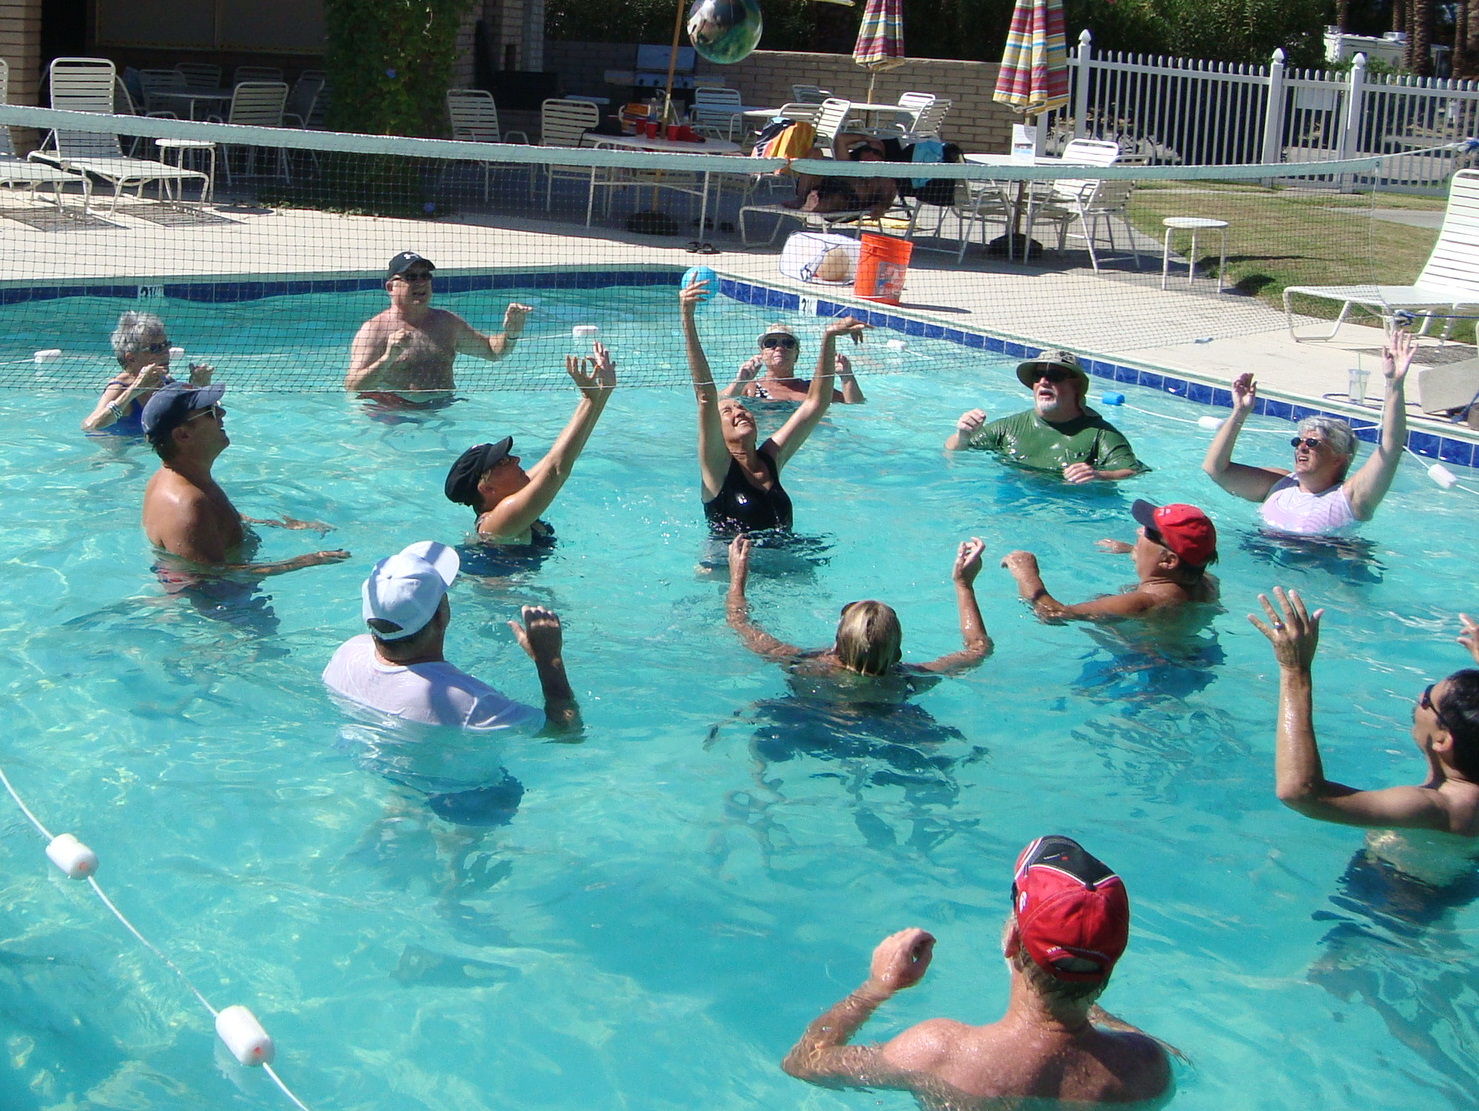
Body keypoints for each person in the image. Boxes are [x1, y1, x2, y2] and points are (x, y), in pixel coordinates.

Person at [780, 835, 1173, 1108]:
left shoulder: (939, 1053)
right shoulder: (1145, 1067)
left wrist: (877, 988)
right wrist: (1082, 1001)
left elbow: (805, 1063)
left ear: (1012, 941)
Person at [1251, 588, 1479, 835]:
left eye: (1427, 699)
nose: (1420, 696)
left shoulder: (1434, 807)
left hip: (1385, 862)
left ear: (1442, 740)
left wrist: (1295, 669)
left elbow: (1300, 794)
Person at [322, 540, 579, 733]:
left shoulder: (346, 653)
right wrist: (549, 661)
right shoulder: (469, 703)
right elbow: (566, 732)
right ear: (441, 615)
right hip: (462, 788)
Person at [679, 278, 866, 535]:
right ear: (717, 430)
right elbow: (706, 397)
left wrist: (829, 336)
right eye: (728, 411)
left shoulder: (770, 459)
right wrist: (687, 317)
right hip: (733, 558)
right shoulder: (717, 469)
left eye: (741, 409)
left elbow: (815, 403)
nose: (739, 411)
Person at [1201, 330, 1413, 536]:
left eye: (1312, 443)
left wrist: (1394, 384)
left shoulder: (1351, 497)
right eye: (1298, 442)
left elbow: (1391, 448)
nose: (1301, 447)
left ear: (1339, 458)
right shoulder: (1279, 485)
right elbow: (1215, 469)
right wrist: (1240, 412)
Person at [726, 535, 991, 688]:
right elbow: (978, 649)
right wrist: (964, 585)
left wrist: (737, 578)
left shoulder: (804, 666)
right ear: (897, 652)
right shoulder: (909, 679)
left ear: (836, 645)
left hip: (810, 720)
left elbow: (739, 623)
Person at [141, 382, 349, 576]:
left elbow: (212, 522)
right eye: (210, 411)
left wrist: (271, 523)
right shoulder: (188, 505)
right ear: (182, 435)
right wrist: (306, 561)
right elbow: (213, 577)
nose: (222, 413)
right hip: (220, 601)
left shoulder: (183, 479)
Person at [444, 342, 615, 545]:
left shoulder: (513, 491)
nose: (516, 459)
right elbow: (557, 470)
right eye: (503, 462)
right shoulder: (497, 522)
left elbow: (560, 455)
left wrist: (603, 392)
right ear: (488, 489)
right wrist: (589, 400)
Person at [345, 252, 532, 407]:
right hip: (396, 414)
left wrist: (511, 334)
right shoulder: (374, 330)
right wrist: (387, 359)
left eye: (425, 276)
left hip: (444, 409)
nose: (420, 282)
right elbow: (352, 386)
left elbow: (492, 351)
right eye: (411, 277)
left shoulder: (446, 322)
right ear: (390, 287)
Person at [945, 349, 1146, 483]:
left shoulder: (1101, 434)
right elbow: (953, 451)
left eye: (1054, 376)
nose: (1043, 382)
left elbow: (1131, 471)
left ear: (1075, 386)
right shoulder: (1009, 427)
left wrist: (1098, 475)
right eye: (1037, 376)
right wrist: (963, 435)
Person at [1002, 499, 1218, 621]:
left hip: (1142, 668)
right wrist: (1134, 550)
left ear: (1168, 561)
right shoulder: (1206, 582)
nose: (1138, 531)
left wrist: (1026, 573)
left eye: (1148, 532)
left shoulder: (1143, 602)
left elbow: (1053, 614)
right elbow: (1190, 561)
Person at [81, 311, 213, 433]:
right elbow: (89, 426)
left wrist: (199, 387)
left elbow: (191, 418)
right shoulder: (119, 388)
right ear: (131, 358)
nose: (165, 353)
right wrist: (134, 391)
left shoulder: (166, 382)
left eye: (166, 345)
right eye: (155, 348)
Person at [721, 323, 865, 404]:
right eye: (771, 343)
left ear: (796, 354)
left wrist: (847, 376)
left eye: (787, 343)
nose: (779, 348)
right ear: (762, 353)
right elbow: (717, 403)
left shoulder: (811, 389)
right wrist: (739, 382)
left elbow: (854, 405)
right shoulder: (751, 387)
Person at [789, 136, 899, 219]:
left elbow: (887, 200)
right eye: (867, 149)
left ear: (882, 159)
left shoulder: (883, 179)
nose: (870, 154)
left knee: (838, 198)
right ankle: (802, 200)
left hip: (847, 202)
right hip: (824, 187)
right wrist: (866, 138)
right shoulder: (849, 164)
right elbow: (840, 138)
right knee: (815, 152)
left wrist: (880, 207)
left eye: (876, 152)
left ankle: (810, 208)